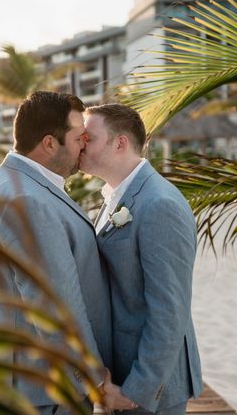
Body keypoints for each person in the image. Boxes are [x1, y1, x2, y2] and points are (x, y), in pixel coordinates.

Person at [0, 91, 112, 414]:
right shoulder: (28, 200)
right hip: (42, 391)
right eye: (79, 137)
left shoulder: (9, 180)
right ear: (50, 143)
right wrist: (93, 382)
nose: (84, 144)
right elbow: (54, 306)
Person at [79, 103, 203, 414]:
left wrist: (136, 390)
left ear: (119, 143)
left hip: (150, 387)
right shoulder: (115, 196)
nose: (81, 144)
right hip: (123, 370)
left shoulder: (159, 204)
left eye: (89, 138)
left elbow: (169, 310)